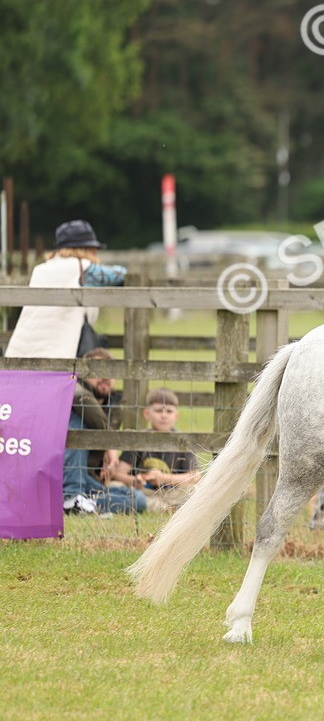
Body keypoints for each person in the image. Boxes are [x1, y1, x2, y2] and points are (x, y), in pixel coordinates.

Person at [4, 220, 127, 358]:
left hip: (19, 353)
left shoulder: (40, 269)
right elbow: (121, 274)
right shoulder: (81, 268)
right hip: (52, 357)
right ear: (85, 248)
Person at [63, 349, 147, 516]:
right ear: (83, 374)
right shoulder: (73, 391)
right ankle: (71, 497)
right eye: (99, 371)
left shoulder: (114, 410)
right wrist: (111, 444)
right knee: (79, 421)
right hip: (61, 474)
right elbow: (82, 399)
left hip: (88, 479)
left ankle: (81, 503)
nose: (106, 377)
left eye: (111, 372)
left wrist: (108, 467)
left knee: (138, 500)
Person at [109, 388, 200, 513]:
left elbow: (195, 476)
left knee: (195, 489)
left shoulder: (182, 441)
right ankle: (166, 508)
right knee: (114, 487)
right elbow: (118, 473)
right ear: (147, 414)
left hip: (172, 493)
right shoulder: (138, 439)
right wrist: (135, 480)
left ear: (176, 416)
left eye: (169, 411)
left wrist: (164, 478)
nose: (164, 416)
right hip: (144, 493)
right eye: (158, 411)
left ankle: (159, 507)